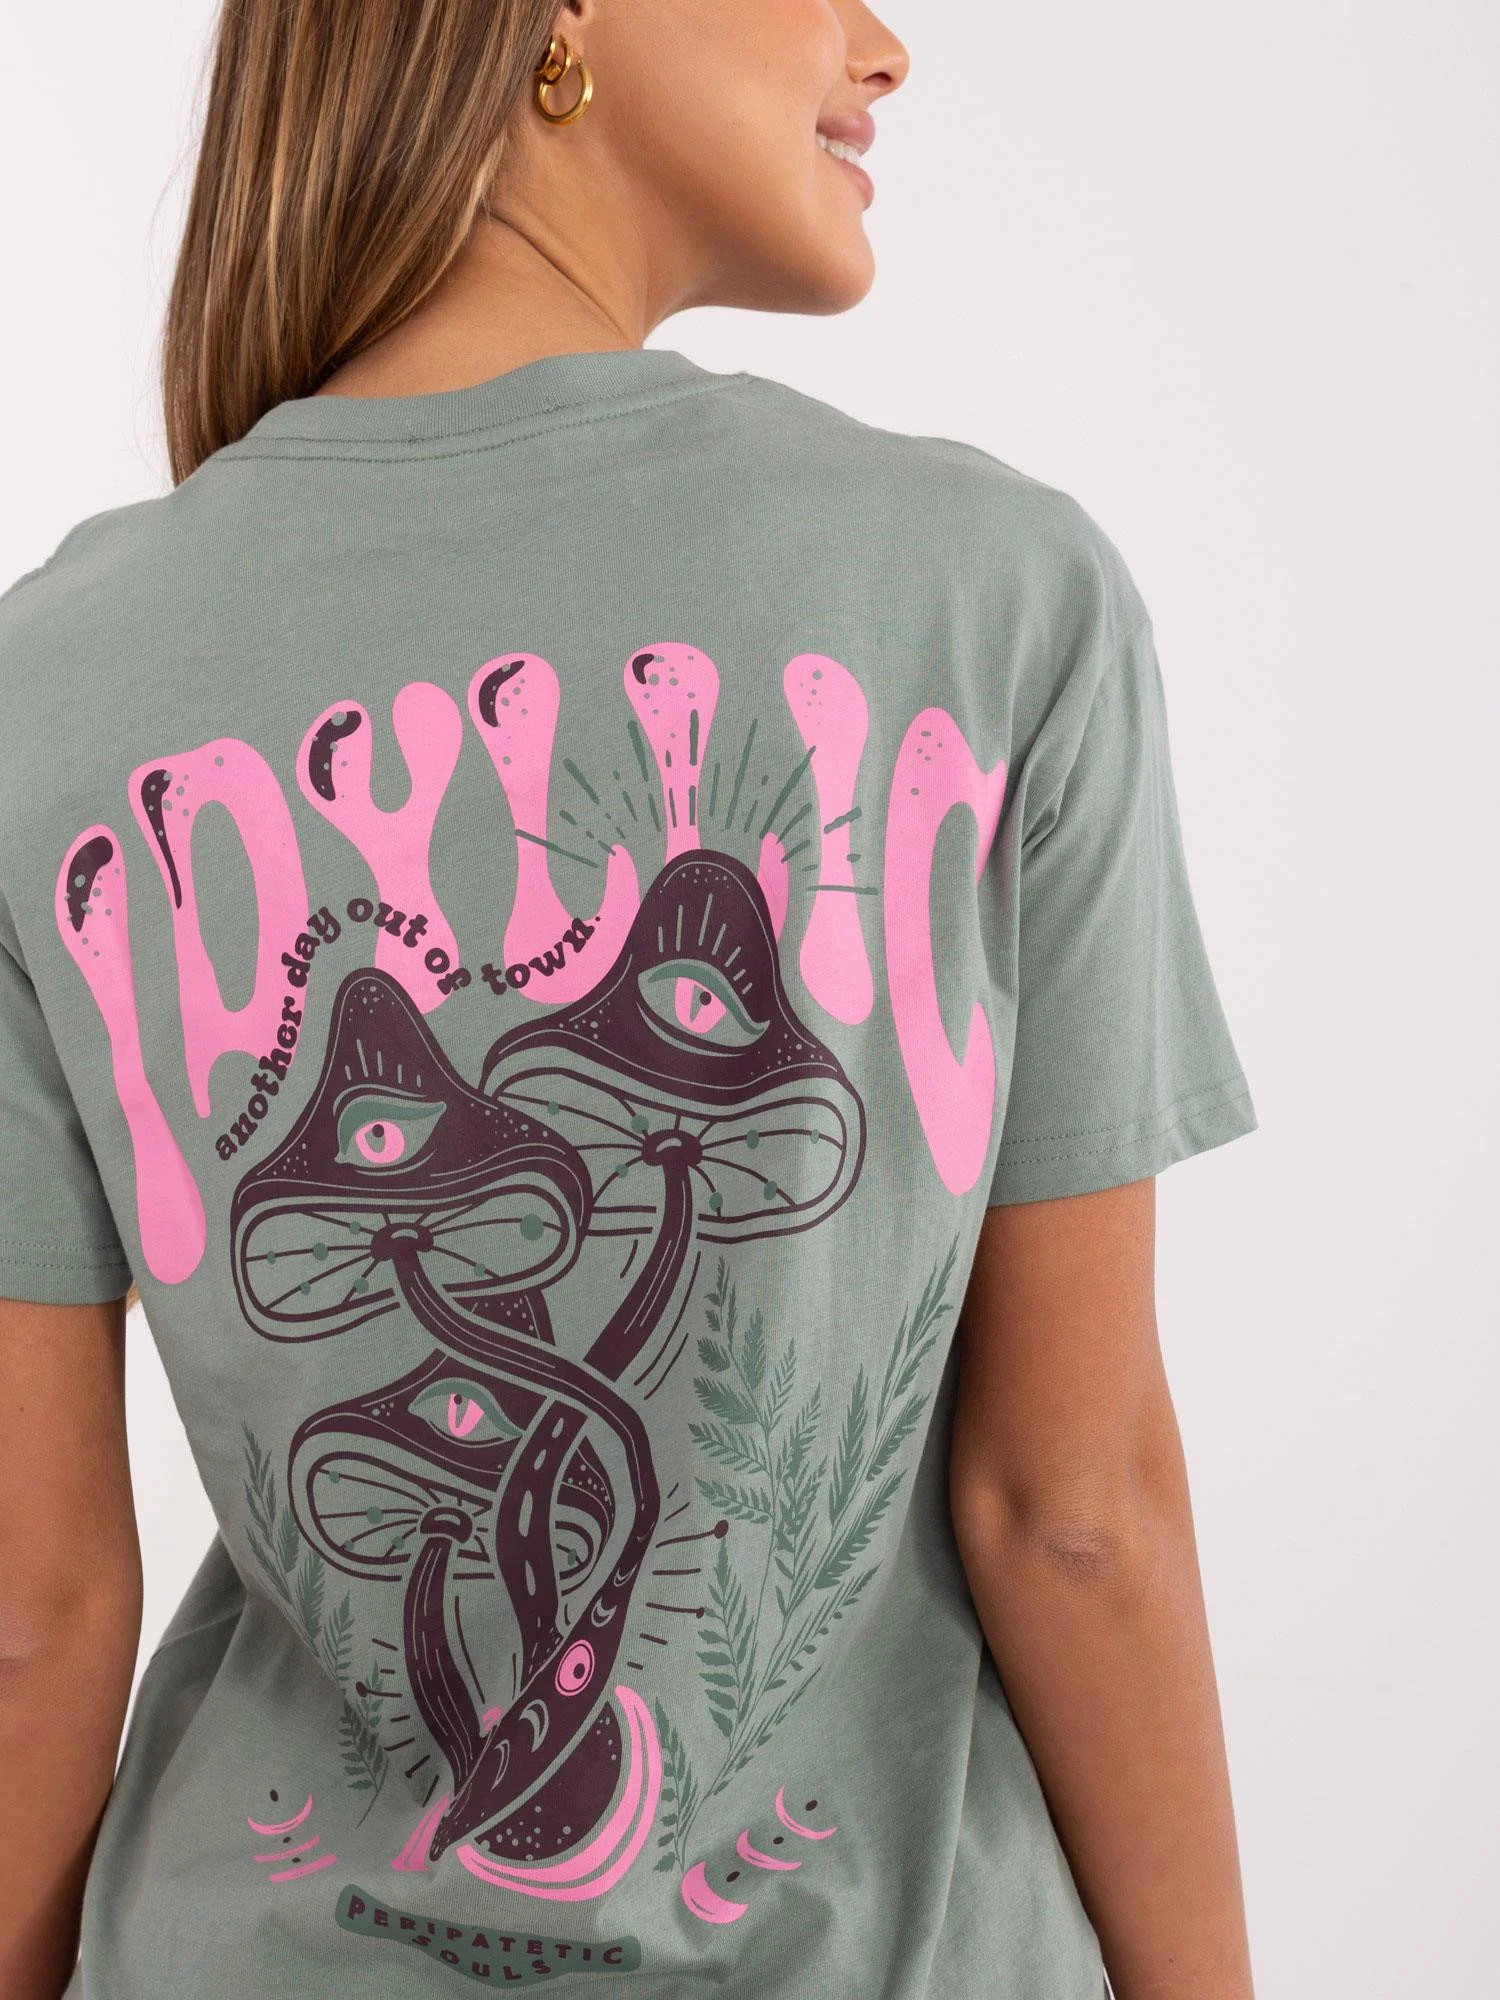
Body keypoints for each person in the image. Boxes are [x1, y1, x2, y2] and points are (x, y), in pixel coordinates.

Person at [0, 3, 1260, 1996]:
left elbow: (32, 1611)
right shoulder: (991, 592)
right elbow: (1070, 1506)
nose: (883, 46)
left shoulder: (46, 685)